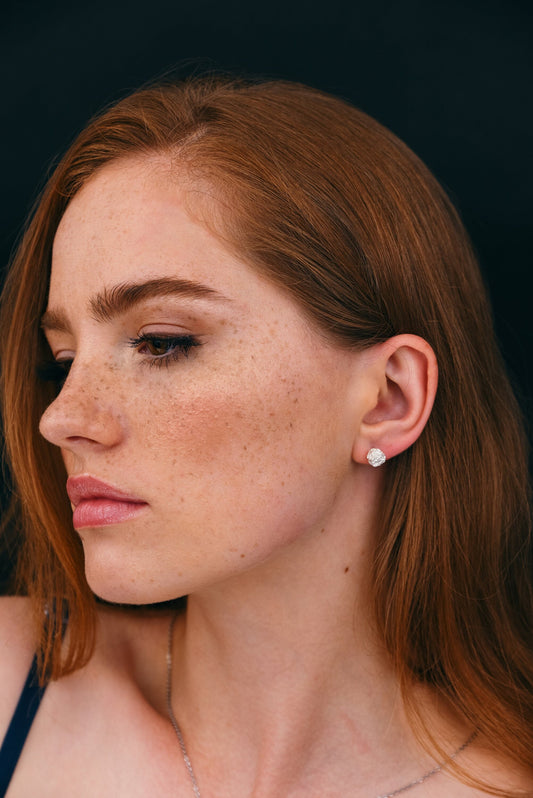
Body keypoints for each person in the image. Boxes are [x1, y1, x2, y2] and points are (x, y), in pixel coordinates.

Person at [0, 75, 531, 797]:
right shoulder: (11, 685)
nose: (61, 418)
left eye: (161, 342)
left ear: (388, 399)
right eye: (60, 361)